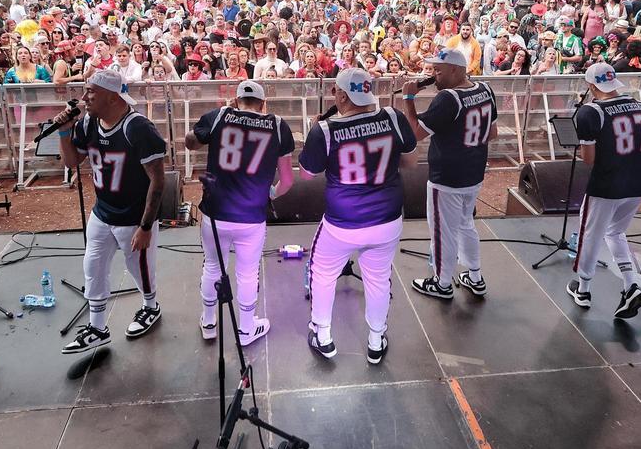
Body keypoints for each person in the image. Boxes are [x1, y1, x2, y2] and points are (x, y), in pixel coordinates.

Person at [299, 68, 417, 365]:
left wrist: (316, 135)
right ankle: (376, 340)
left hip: (343, 222)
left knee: (323, 274)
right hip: (387, 218)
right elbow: (411, 161)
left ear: (340, 95)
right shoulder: (393, 116)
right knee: (378, 278)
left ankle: (322, 335)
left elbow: (307, 173)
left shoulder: (324, 130)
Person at [55, 70, 169, 354]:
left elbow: (158, 179)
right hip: (102, 210)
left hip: (133, 216)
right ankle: (97, 327)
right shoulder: (88, 123)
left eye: (91, 92)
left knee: (139, 269)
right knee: (92, 267)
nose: (84, 97)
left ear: (112, 96)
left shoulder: (138, 128)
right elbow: (72, 162)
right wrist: (64, 131)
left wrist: (145, 226)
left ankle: (150, 306)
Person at [185, 80, 295, 345]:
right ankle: (246, 329)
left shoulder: (220, 115)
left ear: (235, 101)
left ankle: (209, 321)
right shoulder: (278, 125)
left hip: (215, 212)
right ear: (263, 104)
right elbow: (288, 181)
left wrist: (200, 132)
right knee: (248, 273)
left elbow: (191, 143)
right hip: (251, 215)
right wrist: (269, 194)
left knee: (212, 266)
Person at [398, 48, 496, 300]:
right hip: (473, 172)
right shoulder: (485, 89)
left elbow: (415, 135)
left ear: (456, 69)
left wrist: (408, 100)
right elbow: (492, 134)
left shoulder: (448, 99)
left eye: (438, 71)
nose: (434, 76)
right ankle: (476, 277)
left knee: (443, 232)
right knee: (465, 225)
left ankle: (442, 283)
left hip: (447, 177)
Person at [567, 63, 641, 320]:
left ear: (591, 86)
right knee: (616, 232)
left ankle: (583, 289)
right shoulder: (637, 105)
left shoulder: (590, 112)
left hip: (606, 183)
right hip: (636, 182)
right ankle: (630, 284)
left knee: (589, 234)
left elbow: (589, 159)